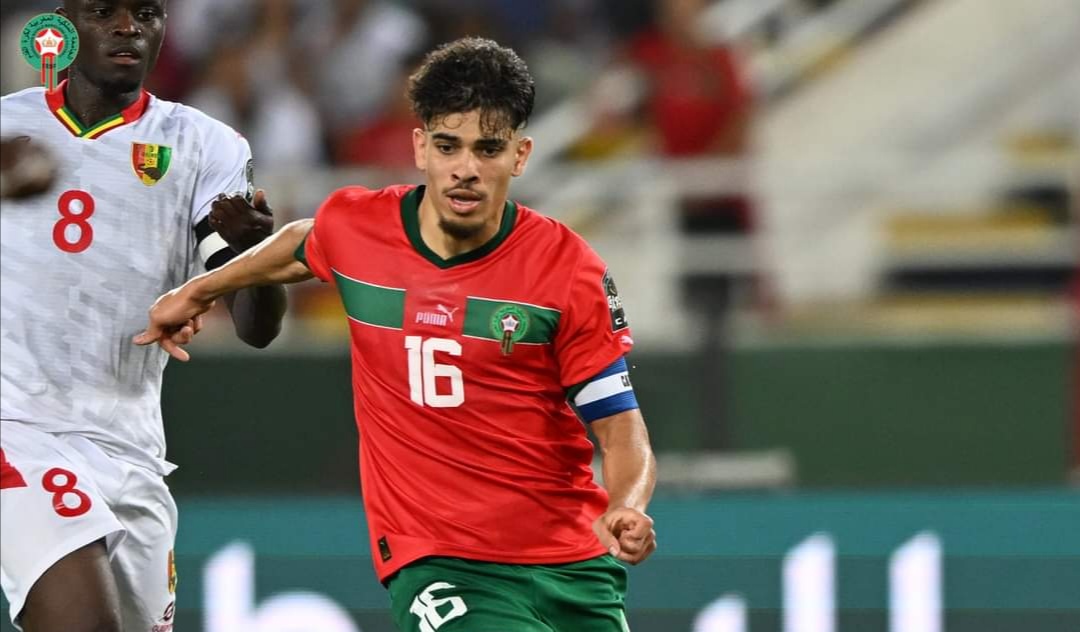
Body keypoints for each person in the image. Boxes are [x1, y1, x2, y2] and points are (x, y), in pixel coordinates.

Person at [137, 37, 658, 630]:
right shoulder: (360, 227)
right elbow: (302, 242)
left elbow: (620, 427)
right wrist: (198, 290)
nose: (466, 168)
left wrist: (627, 505)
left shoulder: (568, 270)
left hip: (575, 563)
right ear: (420, 148)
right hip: (441, 562)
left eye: (488, 149)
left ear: (520, 155)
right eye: (448, 146)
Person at [0, 1, 287, 631]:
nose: (129, 27)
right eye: (104, 11)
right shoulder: (6, 126)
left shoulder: (204, 144)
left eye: (148, 13)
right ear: (66, 23)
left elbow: (257, 328)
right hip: (17, 427)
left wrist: (254, 254)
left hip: (129, 447)